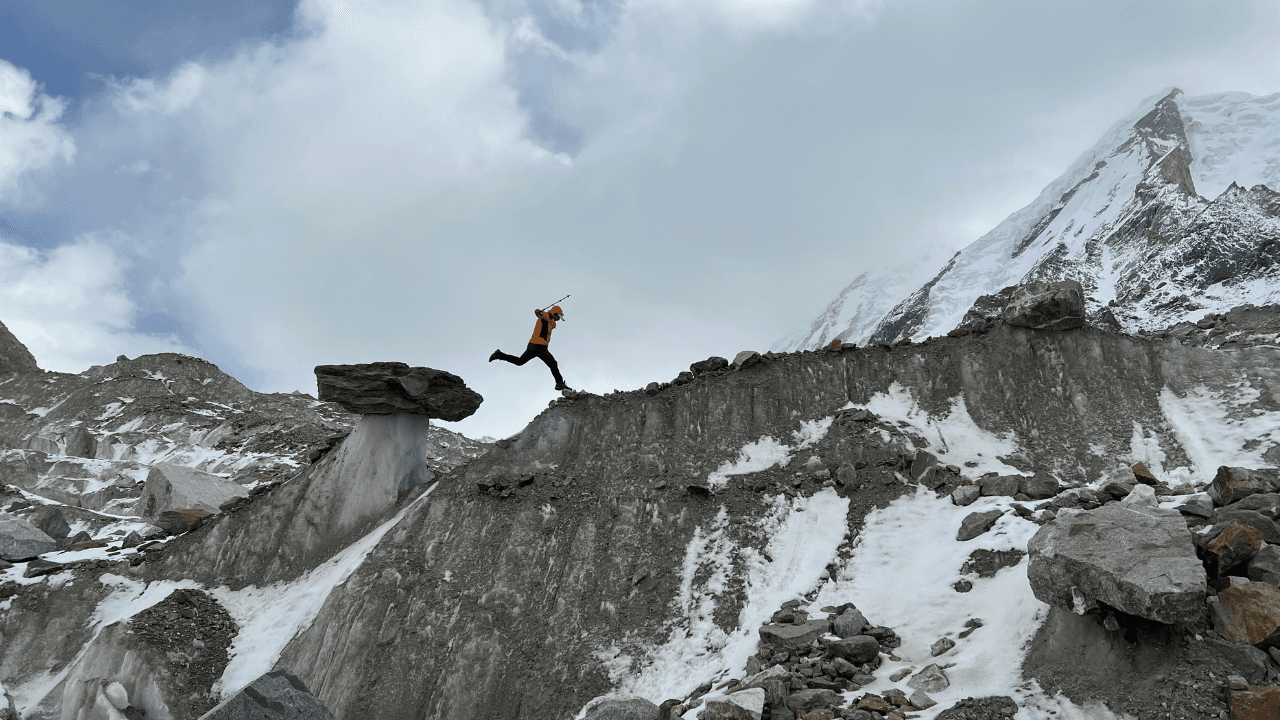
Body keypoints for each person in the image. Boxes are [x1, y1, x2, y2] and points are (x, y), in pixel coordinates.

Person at [489, 305, 569, 390]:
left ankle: (499, 355)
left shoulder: (551, 321)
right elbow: (538, 312)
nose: (559, 319)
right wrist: (539, 312)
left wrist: (543, 314)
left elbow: (550, 321)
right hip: (539, 347)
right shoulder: (545, 316)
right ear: (554, 313)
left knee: (520, 361)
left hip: (533, 345)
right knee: (553, 363)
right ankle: (559, 383)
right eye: (558, 316)